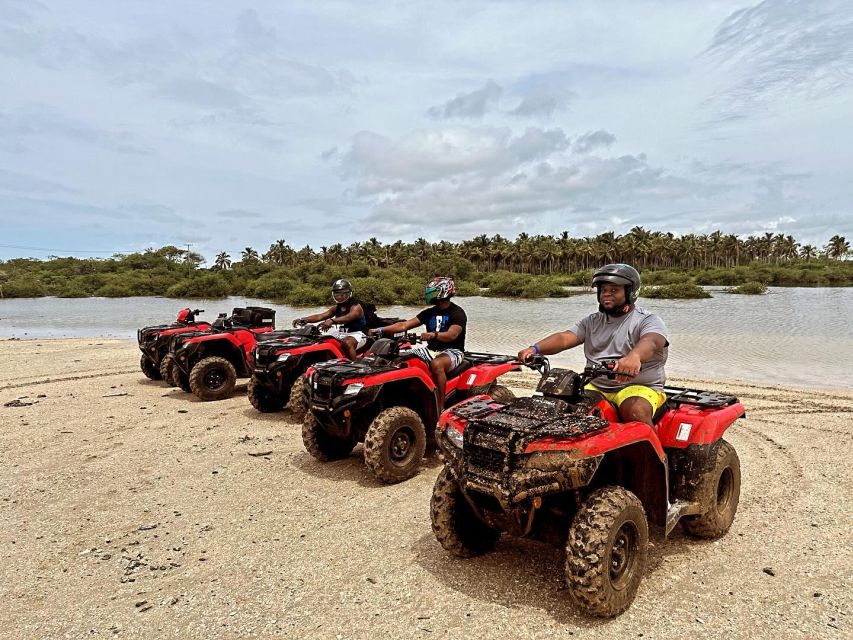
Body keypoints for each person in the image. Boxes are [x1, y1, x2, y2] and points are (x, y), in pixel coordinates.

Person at [518, 263, 669, 427]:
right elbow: (565, 338)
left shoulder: (647, 320)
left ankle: (657, 454)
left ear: (630, 292)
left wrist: (634, 357)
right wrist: (535, 349)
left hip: (639, 387)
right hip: (596, 386)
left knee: (635, 411)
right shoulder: (592, 321)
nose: (606, 295)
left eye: (614, 290)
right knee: (559, 408)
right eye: (603, 290)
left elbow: (652, 341)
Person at [369, 276, 466, 414]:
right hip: (430, 349)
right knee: (402, 357)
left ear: (443, 291)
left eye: (432, 291)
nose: (429, 294)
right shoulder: (429, 312)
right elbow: (404, 325)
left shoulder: (457, 313)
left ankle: (440, 406)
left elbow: (452, 335)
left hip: (453, 351)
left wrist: (434, 335)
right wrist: (380, 329)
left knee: (437, 365)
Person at [292, 279, 368, 360]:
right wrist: (303, 319)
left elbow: (348, 317)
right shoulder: (337, 307)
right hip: (341, 333)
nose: (339, 297)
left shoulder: (356, 307)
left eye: (343, 295)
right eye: (337, 294)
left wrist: (332, 321)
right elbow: (320, 316)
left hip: (357, 334)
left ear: (349, 294)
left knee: (347, 343)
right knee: (321, 340)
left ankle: (354, 365)